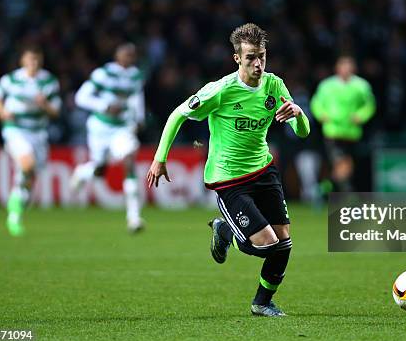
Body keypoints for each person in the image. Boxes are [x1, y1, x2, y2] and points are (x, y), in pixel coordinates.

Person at [146, 23, 310, 317]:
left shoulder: (275, 86)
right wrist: (160, 158)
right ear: (237, 59)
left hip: (263, 169)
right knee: (264, 245)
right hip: (229, 178)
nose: (257, 63)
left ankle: (262, 302)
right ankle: (225, 230)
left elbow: (303, 133)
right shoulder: (220, 91)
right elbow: (177, 115)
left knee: (283, 243)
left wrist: (298, 114)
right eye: (250, 58)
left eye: (261, 56)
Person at [70, 43, 146, 233]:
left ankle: (134, 217)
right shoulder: (103, 73)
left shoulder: (136, 75)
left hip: (122, 128)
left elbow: (136, 97)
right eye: (126, 55)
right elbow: (81, 97)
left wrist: (139, 119)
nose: (130, 58)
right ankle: (82, 172)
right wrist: (104, 106)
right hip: (100, 128)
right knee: (100, 170)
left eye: (132, 55)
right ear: (117, 56)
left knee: (129, 160)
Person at [0, 46, 62, 236]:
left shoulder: (49, 81)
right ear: (22, 61)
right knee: (27, 165)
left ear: (42, 61)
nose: (33, 64)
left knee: (30, 176)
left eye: (37, 60)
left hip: (38, 132)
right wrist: (2, 112)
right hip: (16, 130)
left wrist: (44, 104)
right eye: (30, 60)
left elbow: (56, 112)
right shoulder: (11, 79)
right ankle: (14, 216)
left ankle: (16, 206)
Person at [310, 56, 375, 192]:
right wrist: (321, 115)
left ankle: (325, 187)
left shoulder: (361, 86)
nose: (346, 69)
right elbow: (316, 103)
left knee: (347, 167)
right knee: (341, 164)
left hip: (352, 133)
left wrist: (361, 116)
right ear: (337, 68)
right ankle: (347, 195)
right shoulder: (326, 86)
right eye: (343, 66)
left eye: (349, 66)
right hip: (333, 131)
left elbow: (370, 105)